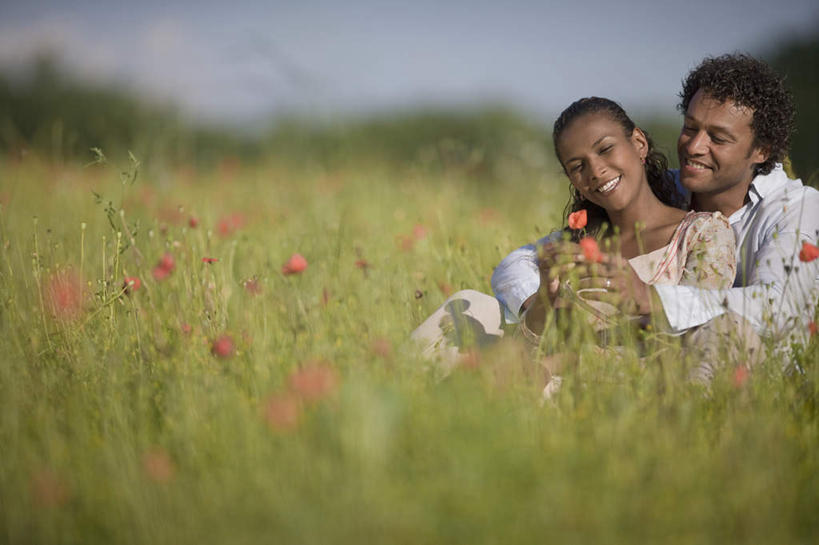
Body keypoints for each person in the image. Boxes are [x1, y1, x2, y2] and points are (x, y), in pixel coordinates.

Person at [492, 54, 819, 380]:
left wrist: (652, 299)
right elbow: (519, 263)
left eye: (718, 138)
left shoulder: (796, 210)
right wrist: (542, 306)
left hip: (745, 369)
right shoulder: (660, 187)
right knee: (473, 310)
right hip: (597, 368)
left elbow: (780, 307)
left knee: (724, 330)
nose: (694, 147)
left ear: (762, 149)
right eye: (690, 128)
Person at [411, 97, 737, 371]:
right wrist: (542, 305)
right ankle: (396, 402)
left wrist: (645, 297)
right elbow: (533, 342)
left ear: (638, 144)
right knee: (466, 306)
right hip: (553, 387)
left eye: (605, 149)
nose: (595, 171)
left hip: (638, 392)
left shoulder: (702, 233)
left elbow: (706, 321)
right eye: (578, 166)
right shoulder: (576, 245)